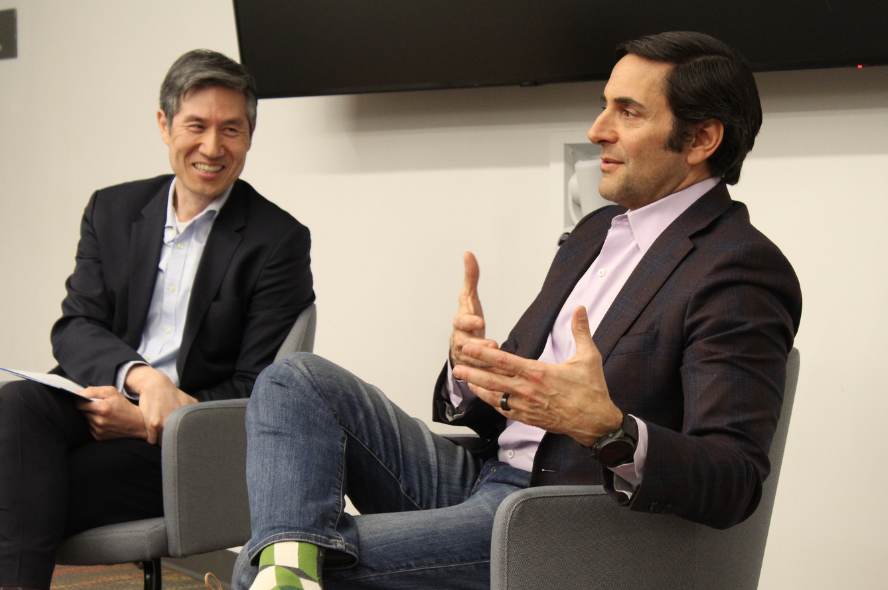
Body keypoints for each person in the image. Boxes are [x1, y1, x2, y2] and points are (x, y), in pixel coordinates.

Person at [231, 32, 801, 590]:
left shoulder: (739, 268)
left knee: (271, 561)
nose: (597, 129)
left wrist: (609, 430)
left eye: (627, 112)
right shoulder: (595, 231)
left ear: (701, 138)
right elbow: (524, 407)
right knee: (294, 381)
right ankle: (287, 567)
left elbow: (734, 479)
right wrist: (475, 371)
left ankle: (283, 570)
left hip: (562, 523)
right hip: (484, 478)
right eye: (605, 106)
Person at [0, 49, 314, 590]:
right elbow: (76, 326)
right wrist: (143, 382)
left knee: (21, 484)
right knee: (15, 404)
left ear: (250, 136)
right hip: (103, 399)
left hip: (187, 445)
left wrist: (152, 418)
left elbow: (260, 391)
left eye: (231, 130)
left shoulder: (277, 240)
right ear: (165, 125)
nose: (212, 148)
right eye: (196, 126)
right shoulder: (113, 210)